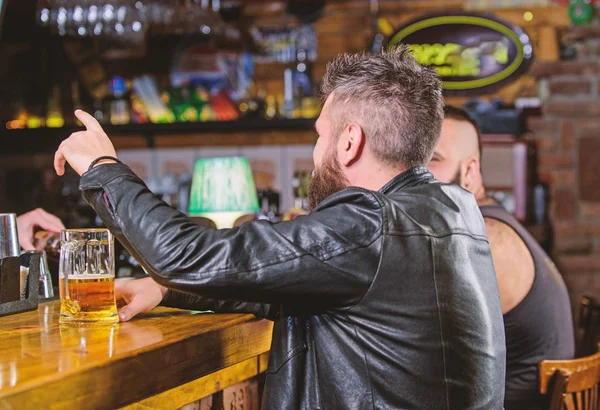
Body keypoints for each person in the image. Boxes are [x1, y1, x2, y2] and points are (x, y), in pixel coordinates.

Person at [54, 48, 506, 409]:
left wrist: (102, 168)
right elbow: (297, 283)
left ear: (349, 142)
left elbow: (183, 254)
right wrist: (165, 289)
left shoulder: (371, 223)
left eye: (319, 135)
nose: (315, 153)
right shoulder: (455, 211)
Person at [428, 105, 575, 410]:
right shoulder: (485, 222)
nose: (416, 173)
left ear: (470, 172)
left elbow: (419, 344)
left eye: (433, 160)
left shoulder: (486, 240)